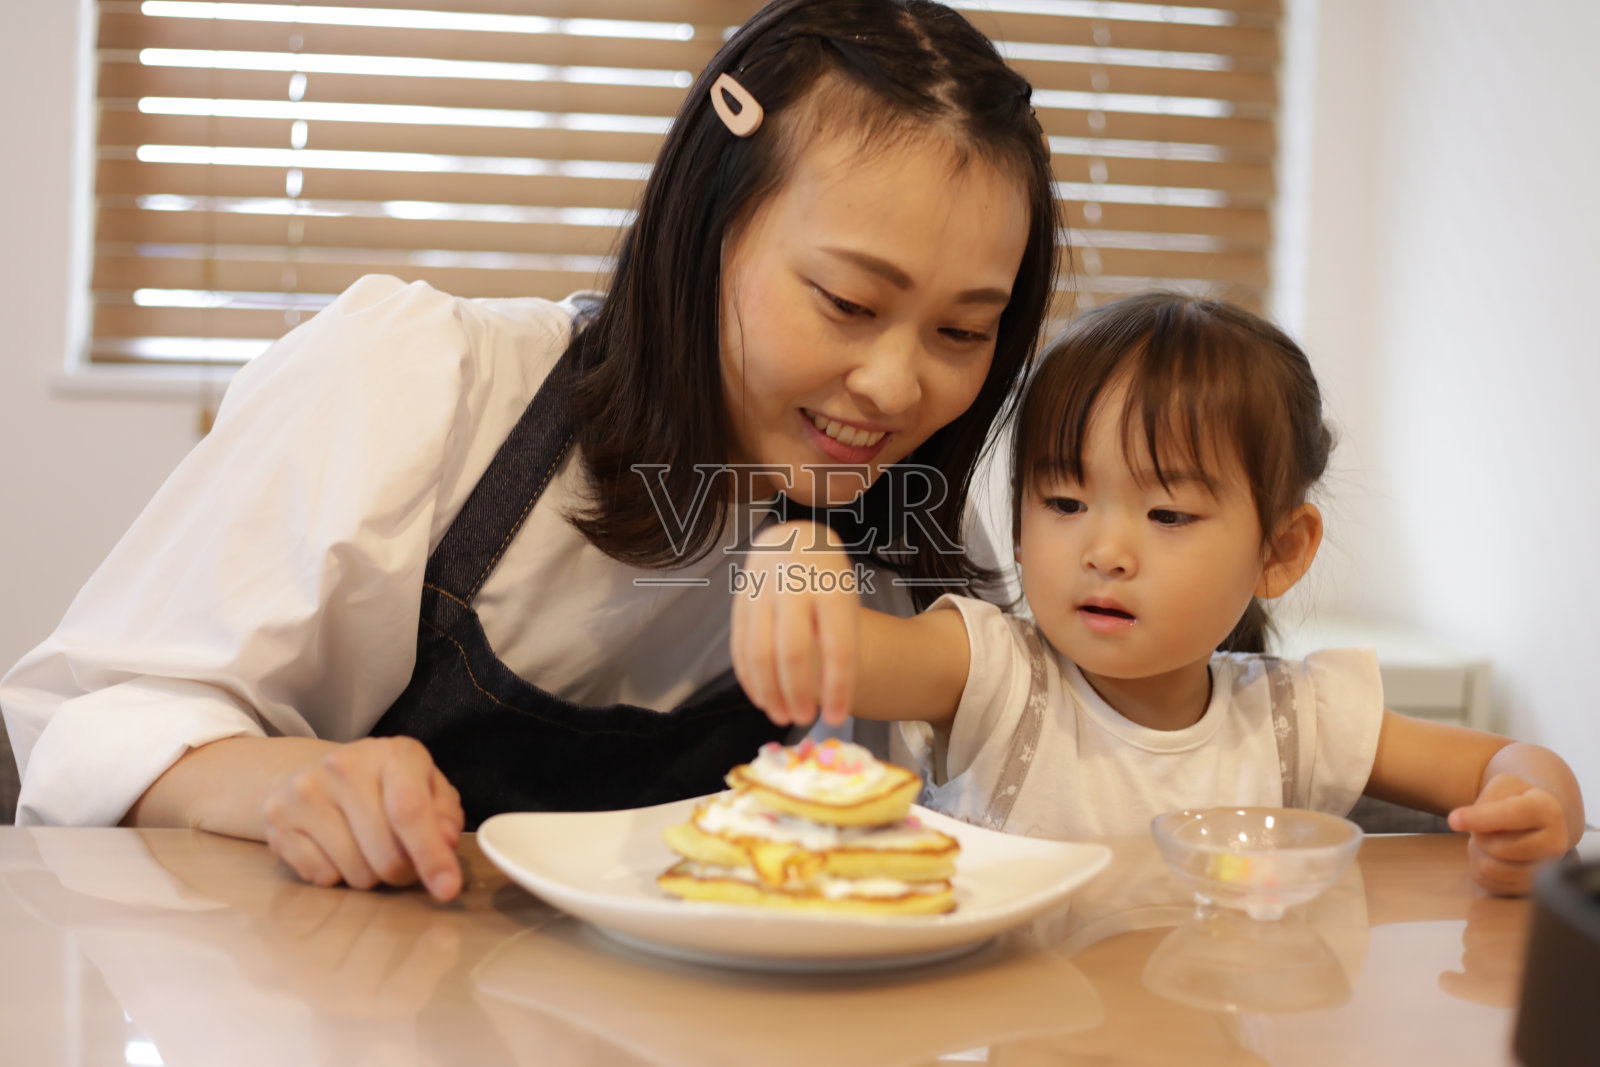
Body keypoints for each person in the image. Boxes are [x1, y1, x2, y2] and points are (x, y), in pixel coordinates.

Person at [0, 0, 1060, 901]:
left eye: (962, 333)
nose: (893, 384)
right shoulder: (426, 384)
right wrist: (285, 780)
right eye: (846, 301)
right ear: (703, 233)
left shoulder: (892, 510)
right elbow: (81, 726)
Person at [730, 293, 1585, 896]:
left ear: (1279, 551)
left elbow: (1503, 764)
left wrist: (1538, 805)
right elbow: (835, 650)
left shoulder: (1295, 719)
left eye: (1168, 512)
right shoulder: (992, 672)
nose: (1105, 550)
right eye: (1063, 503)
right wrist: (796, 552)